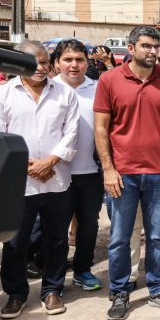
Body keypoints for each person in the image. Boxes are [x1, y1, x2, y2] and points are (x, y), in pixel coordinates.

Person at [94, 25, 160, 320]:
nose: (153, 51)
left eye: (156, 46)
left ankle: (158, 289)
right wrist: (108, 168)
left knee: (158, 236)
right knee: (120, 237)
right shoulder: (109, 80)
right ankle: (120, 291)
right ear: (130, 48)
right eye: (146, 45)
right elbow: (100, 128)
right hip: (123, 174)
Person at [0, 40, 79, 319]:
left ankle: (52, 289)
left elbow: (71, 133)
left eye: (46, 62)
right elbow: (0, 136)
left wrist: (50, 161)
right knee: (15, 242)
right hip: (19, 183)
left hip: (57, 179)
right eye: (35, 62)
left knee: (56, 239)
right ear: (19, 63)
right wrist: (29, 164)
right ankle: (15, 293)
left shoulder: (65, 94)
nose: (42, 67)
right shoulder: (4, 94)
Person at [53, 40, 104, 291]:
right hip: (55, 173)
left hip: (90, 172)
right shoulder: (50, 89)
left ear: (88, 62)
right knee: (56, 228)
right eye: (68, 59)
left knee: (89, 224)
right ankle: (55, 277)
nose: (74, 65)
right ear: (56, 63)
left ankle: (83, 270)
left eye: (79, 59)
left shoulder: (99, 89)